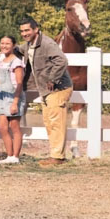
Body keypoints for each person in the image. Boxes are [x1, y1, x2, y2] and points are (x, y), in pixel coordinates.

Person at [17, 17, 73, 166]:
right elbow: (18, 50)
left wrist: (52, 79)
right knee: (49, 122)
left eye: (27, 30)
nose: (24, 33)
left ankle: (58, 157)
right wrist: (2, 48)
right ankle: (55, 154)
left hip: (58, 88)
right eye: (22, 31)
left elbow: (61, 61)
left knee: (56, 122)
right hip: (47, 91)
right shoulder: (29, 45)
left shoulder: (47, 43)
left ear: (36, 29)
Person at [0, 36, 26, 164]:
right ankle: (9, 155)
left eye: (7, 43)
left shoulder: (17, 62)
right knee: (2, 128)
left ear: (14, 45)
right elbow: (2, 80)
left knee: (14, 127)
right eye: (2, 43)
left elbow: (19, 83)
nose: (4, 46)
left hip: (13, 96)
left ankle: (15, 157)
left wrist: (15, 102)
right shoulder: (1, 61)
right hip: (2, 96)